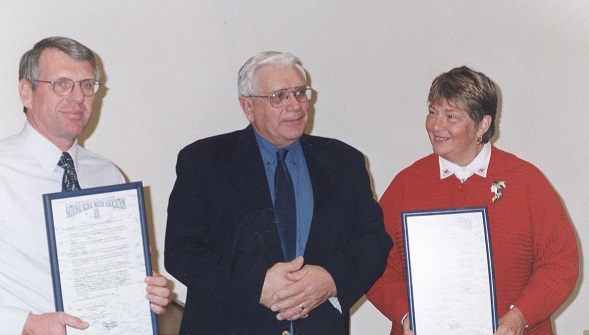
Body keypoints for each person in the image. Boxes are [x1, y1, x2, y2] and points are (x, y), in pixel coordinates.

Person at [164, 51, 392, 334]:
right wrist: (255, 284)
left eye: (299, 92)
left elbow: (373, 242)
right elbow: (181, 253)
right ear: (248, 106)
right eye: (278, 96)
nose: (294, 105)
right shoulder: (204, 161)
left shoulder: (344, 161)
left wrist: (332, 280)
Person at [366, 66, 579, 335]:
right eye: (433, 112)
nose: (436, 125)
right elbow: (371, 258)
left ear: (483, 124)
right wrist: (405, 314)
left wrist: (519, 317)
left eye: (451, 116)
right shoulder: (407, 184)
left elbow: (561, 263)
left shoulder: (526, 181)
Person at [0, 36, 170, 335]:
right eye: (62, 84)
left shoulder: (108, 175)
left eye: (87, 85)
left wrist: (145, 289)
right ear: (26, 92)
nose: (78, 97)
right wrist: (24, 324)